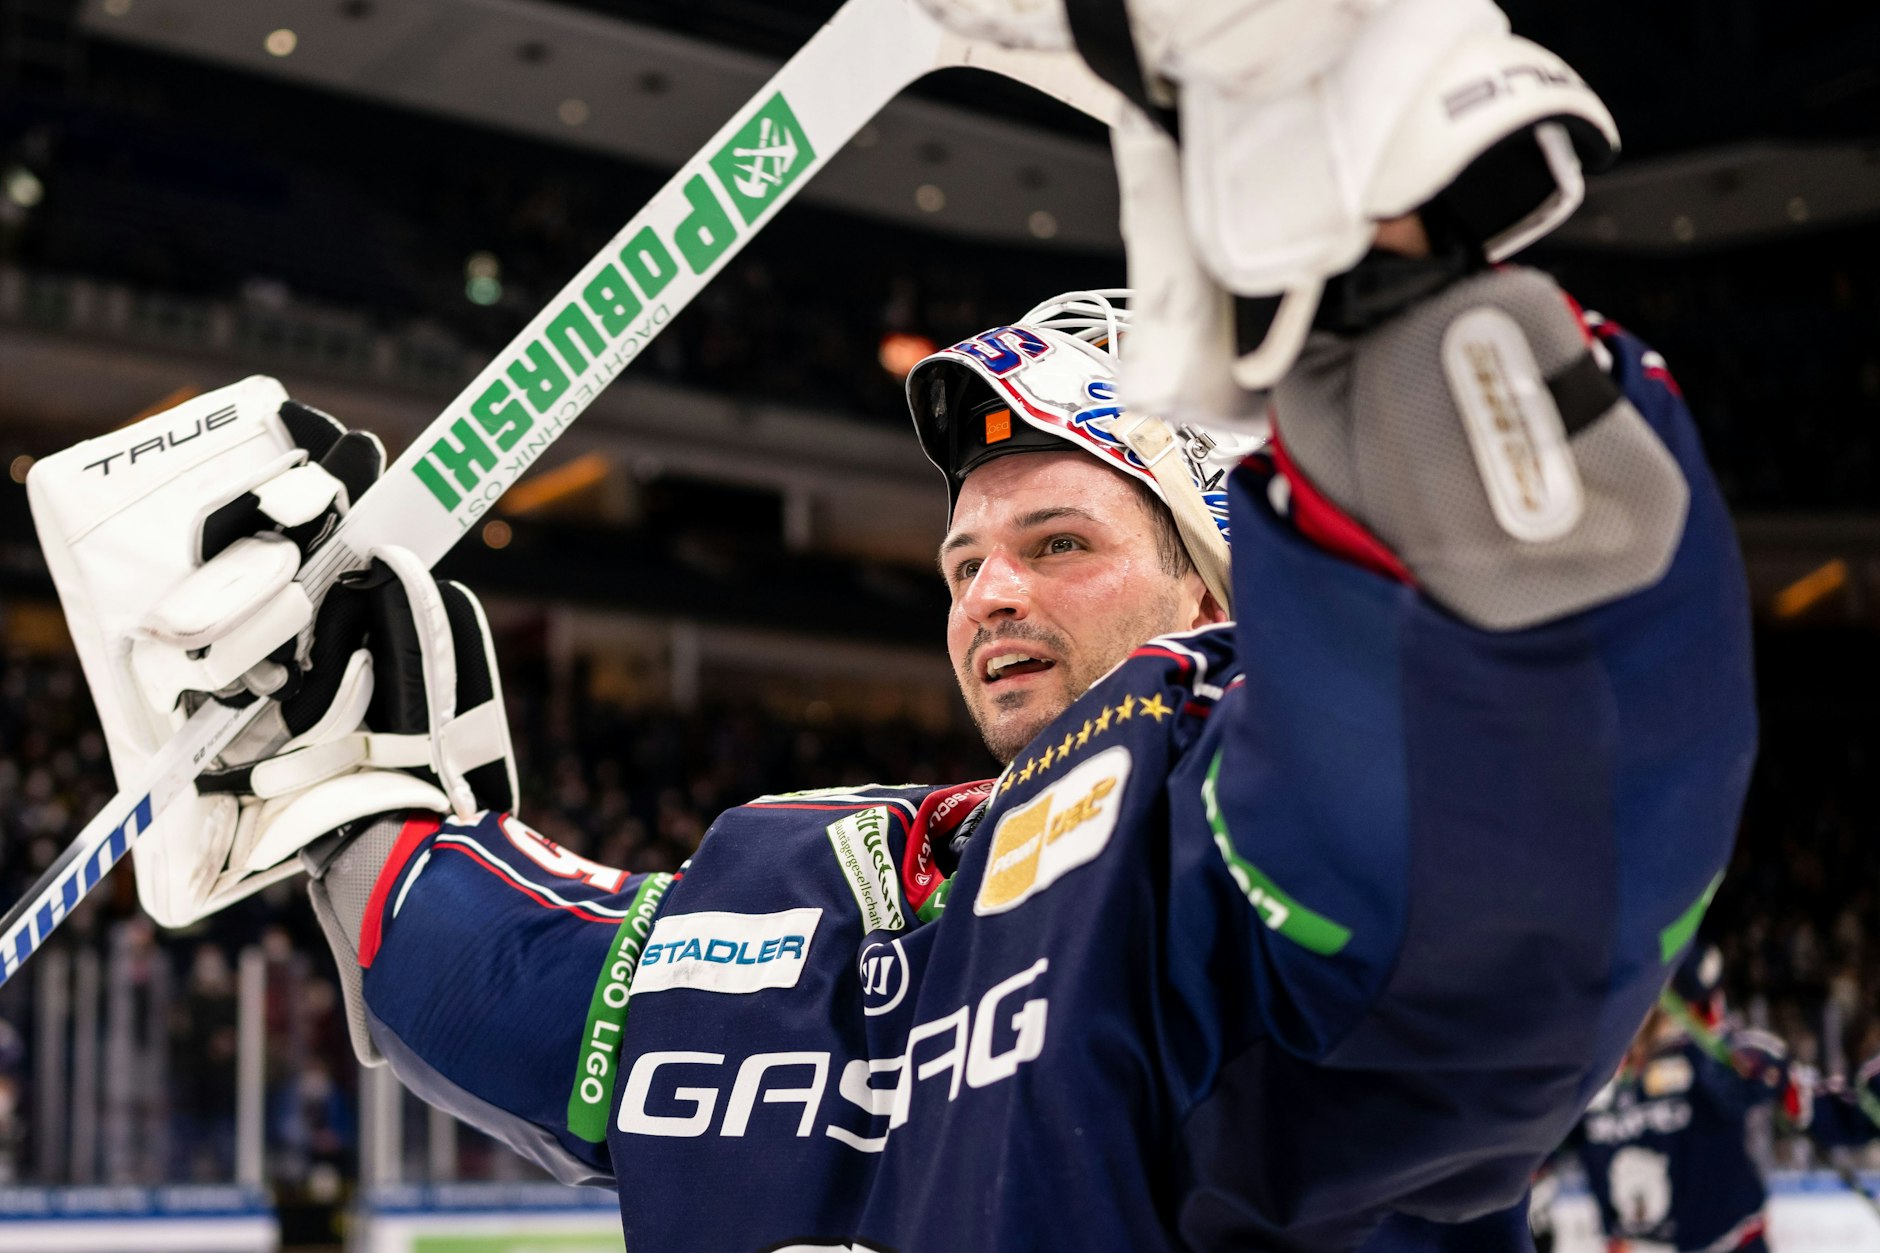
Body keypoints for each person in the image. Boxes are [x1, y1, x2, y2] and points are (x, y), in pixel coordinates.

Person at [32, 10, 1754, 1249]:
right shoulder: (821, 891)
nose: (990, 587)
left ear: (1220, 588)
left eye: (1059, 538)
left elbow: (1496, 865)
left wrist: (1392, 309)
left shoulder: (1226, 875)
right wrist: (335, 798)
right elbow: (538, 995)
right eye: (961, 559)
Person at [1572, 945, 1807, 1253]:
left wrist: (1758, 1068)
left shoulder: (1694, 1054)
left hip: (1725, 1243)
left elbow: (1742, 1077)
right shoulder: (1586, 1072)